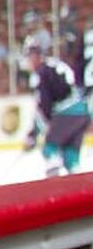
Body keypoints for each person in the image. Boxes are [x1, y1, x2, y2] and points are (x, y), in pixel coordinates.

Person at [24, 38, 87, 176]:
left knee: (50, 148)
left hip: (67, 113)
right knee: (70, 156)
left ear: (35, 56)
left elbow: (44, 106)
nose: (28, 62)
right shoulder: (55, 64)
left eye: (29, 57)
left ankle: (54, 179)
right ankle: (78, 184)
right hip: (82, 112)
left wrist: (33, 135)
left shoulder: (40, 73)